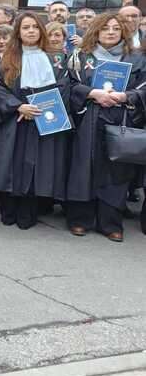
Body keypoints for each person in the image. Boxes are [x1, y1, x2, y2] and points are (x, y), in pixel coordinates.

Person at [65, 13, 146, 242]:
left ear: (123, 32)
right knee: (84, 168)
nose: (111, 32)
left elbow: (144, 88)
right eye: (105, 28)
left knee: (116, 172)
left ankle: (110, 222)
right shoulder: (81, 56)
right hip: (89, 119)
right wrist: (92, 93)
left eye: (116, 28)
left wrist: (125, 96)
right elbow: (69, 84)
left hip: (121, 119)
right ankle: (80, 219)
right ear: (96, 31)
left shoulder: (137, 58)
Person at [0, 12, 71, 230]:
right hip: (14, 119)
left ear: (41, 31)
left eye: (35, 27)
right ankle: (9, 208)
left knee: (35, 166)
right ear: (18, 32)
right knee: (11, 164)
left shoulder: (56, 59)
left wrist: (43, 109)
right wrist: (18, 106)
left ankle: (28, 209)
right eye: (26, 27)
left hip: (43, 120)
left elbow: (63, 87)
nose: (31, 31)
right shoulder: (7, 59)